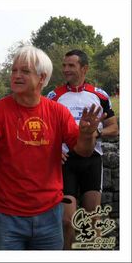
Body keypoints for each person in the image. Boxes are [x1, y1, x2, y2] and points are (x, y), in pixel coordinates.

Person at [0, 45, 106, 250]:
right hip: (6, 216)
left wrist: (86, 134)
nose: (16, 76)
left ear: (41, 77)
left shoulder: (58, 112)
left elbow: (83, 151)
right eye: (14, 70)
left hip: (50, 214)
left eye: (25, 71)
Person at [47, 49, 119, 249]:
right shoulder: (54, 96)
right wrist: (53, 149)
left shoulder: (99, 95)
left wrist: (95, 134)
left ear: (84, 68)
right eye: (64, 65)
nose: (66, 69)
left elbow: (114, 127)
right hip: (66, 161)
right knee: (67, 222)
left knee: (92, 220)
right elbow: (46, 129)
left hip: (92, 160)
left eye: (71, 65)